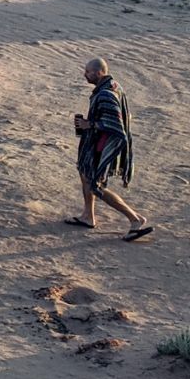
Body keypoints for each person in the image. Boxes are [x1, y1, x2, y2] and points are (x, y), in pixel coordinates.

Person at [67, 57, 154, 241]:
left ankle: (135, 219)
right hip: (96, 144)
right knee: (84, 174)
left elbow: (115, 124)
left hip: (102, 146)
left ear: (99, 72)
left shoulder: (106, 94)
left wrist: (88, 124)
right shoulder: (114, 85)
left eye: (88, 72)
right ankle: (88, 216)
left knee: (95, 186)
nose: (85, 75)